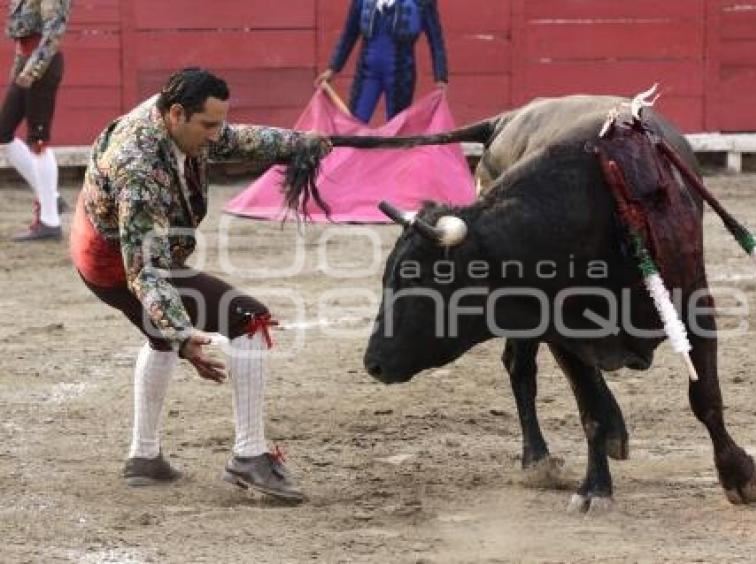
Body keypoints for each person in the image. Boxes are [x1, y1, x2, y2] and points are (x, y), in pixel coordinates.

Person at [70, 67, 332, 502]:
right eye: (208, 125)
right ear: (177, 114)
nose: (215, 135)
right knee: (248, 318)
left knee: (160, 338)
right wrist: (181, 331)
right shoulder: (138, 165)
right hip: (118, 264)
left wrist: (297, 143)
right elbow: (146, 272)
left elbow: (236, 139)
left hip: (100, 256)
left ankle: (145, 457)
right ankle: (249, 455)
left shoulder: (176, 123)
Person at [315, 0, 448, 123]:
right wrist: (333, 69)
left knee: (396, 131)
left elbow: (436, 40)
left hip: (401, 76)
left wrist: (440, 77)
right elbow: (349, 34)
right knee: (356, 124)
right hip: (367, 74)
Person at [2, 0, 70, 242]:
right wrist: (21, 69)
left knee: (38, 140)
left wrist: (32, 70)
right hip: (25, 62)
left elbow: (53, 30)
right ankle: (50, 195)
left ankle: (50, 222)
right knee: (3, 133)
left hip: (41, 66)